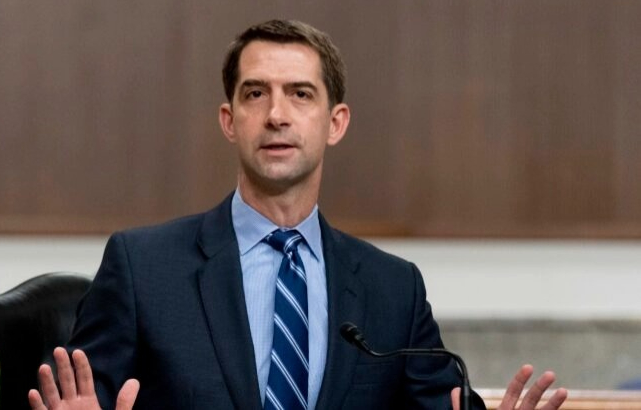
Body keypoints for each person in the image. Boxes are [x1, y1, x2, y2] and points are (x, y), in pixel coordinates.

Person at [28, 19, 568, 410]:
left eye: (300, 94)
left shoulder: (392, 289)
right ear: (229, 120)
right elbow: (81, 398)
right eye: (255, 93)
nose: (277, 115)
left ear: (335, 123)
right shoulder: (143, 267)